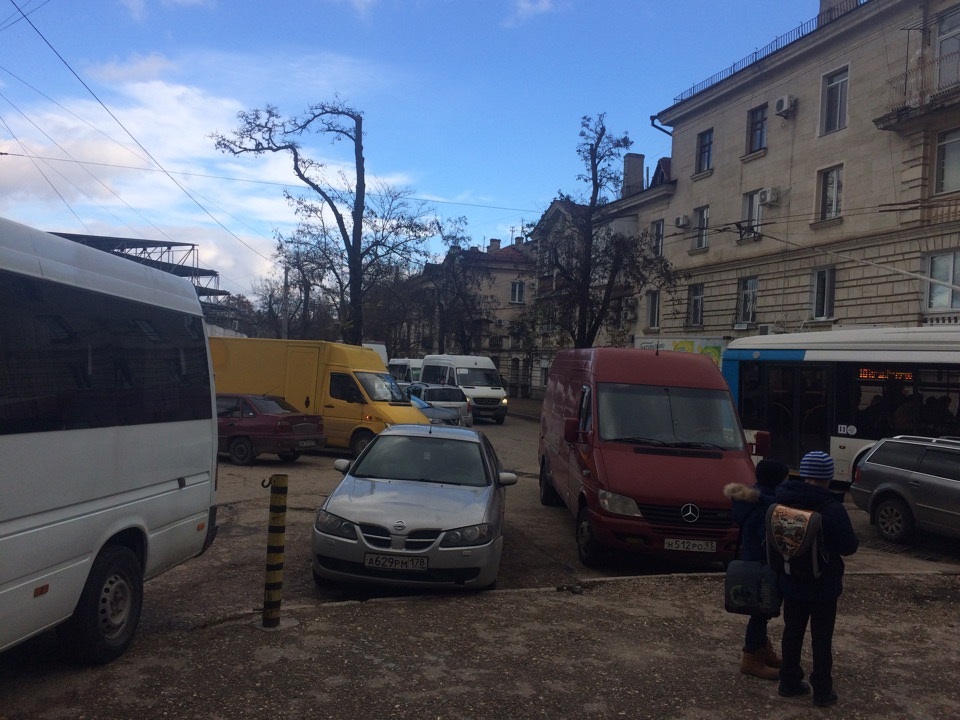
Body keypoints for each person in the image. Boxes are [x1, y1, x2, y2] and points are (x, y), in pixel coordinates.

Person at [774, 451, 859, 708]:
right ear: (828, 477)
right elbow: (848, 547)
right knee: (822, 637)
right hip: (823, 583)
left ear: (804, 473)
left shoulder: (783, 499)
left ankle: (788, 682)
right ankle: (822, 690)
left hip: (791, 579)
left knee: (792, 631)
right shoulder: (831, 508)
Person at [723, 459, 790, 680]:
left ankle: (761, 649)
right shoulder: (766, 506)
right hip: (763, 564)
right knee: (761, 611)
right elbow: (769, 539)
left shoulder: (750, 498)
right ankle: (751, 657)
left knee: (760, 611)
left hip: (750, 561)